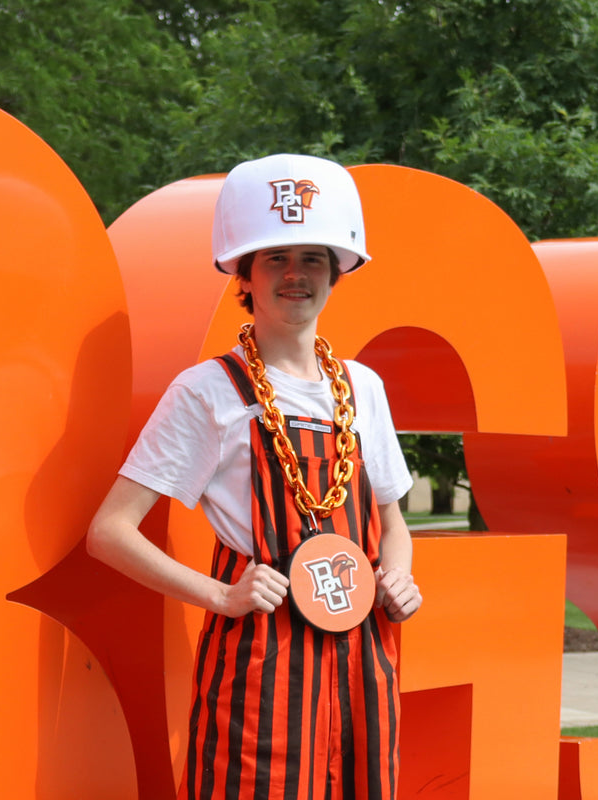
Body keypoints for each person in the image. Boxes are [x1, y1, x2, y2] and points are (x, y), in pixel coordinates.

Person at [87, 153, 422, 800]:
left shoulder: (365, 388)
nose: (295, 274)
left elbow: (394, 522)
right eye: (275, 258)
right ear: (243, 272)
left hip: (364, 661)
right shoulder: (208, 391)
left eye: (313, 258)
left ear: (337, 271)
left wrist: (400, 575)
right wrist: (220, 597)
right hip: (261, 666)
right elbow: (110, 531)